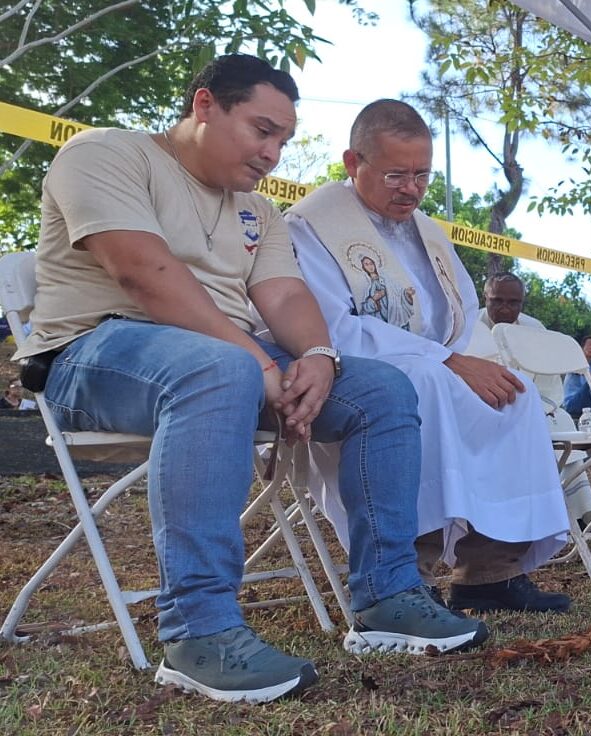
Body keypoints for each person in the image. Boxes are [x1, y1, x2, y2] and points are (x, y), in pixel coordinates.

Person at [14, 55, 487, 704]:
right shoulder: (105, 154)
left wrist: (318, 355)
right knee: (224, 368)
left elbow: (286, 296)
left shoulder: (258, 212)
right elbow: (142, 274)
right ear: (205, 106)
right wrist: (263, 364)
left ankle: (388, 599)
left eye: (284, 140)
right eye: (262, 131)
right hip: (91, 353)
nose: (273, 153)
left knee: (380, 388)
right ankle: (198, 631)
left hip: (229, 365)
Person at [287, 99, 571, 614]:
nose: (411, 189)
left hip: (430, 364)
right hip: (349, 369)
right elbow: (329, 327)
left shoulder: (429, 231)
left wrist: (458, 360)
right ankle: (406, 571)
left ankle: (489, 573)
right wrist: (445, 362)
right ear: (354, 163)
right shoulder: (313, 225)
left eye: (421, 174)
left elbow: (456, 317)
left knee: (514, 396)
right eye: (396, 174)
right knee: (427, 384)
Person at [469, 272, 591, 527]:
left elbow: (549, 384)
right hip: (479, 407)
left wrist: (537, 407)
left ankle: (575, 516)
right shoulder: (466, 327)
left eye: (513, 302)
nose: (505, 308)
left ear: (522, 302)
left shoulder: (534, 328)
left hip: (532, 405)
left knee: (560, 421)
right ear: (485, 298)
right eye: (497, 301)